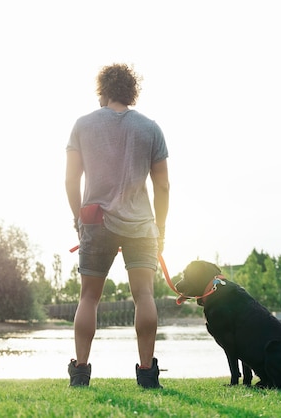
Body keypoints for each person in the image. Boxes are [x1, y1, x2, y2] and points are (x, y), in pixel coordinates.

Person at [65, 63, 170, 388]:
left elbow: (70, 179)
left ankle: (81, 373)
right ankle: (147, 374)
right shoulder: (150, 128)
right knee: (143, 295)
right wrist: (161, 228)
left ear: (103, 90)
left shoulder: (83, 125)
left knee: (89, 298)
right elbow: (163, 186)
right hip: (141, 226)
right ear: (131, 90)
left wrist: (77, 218)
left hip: (96, 221)